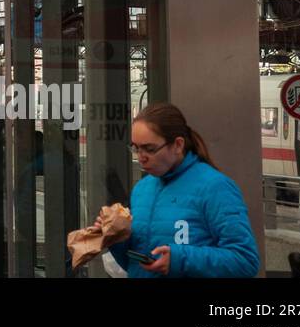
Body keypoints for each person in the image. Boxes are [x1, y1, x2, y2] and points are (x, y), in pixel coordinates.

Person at [105, 103, 259, 278]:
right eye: (135, 148)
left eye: (150, 149)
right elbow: (134, 265)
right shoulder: (141, 189)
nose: (141, 158)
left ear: (178, 145)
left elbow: (245, 261)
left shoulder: (215, 187)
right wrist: (116, 239)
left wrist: (179, 260)